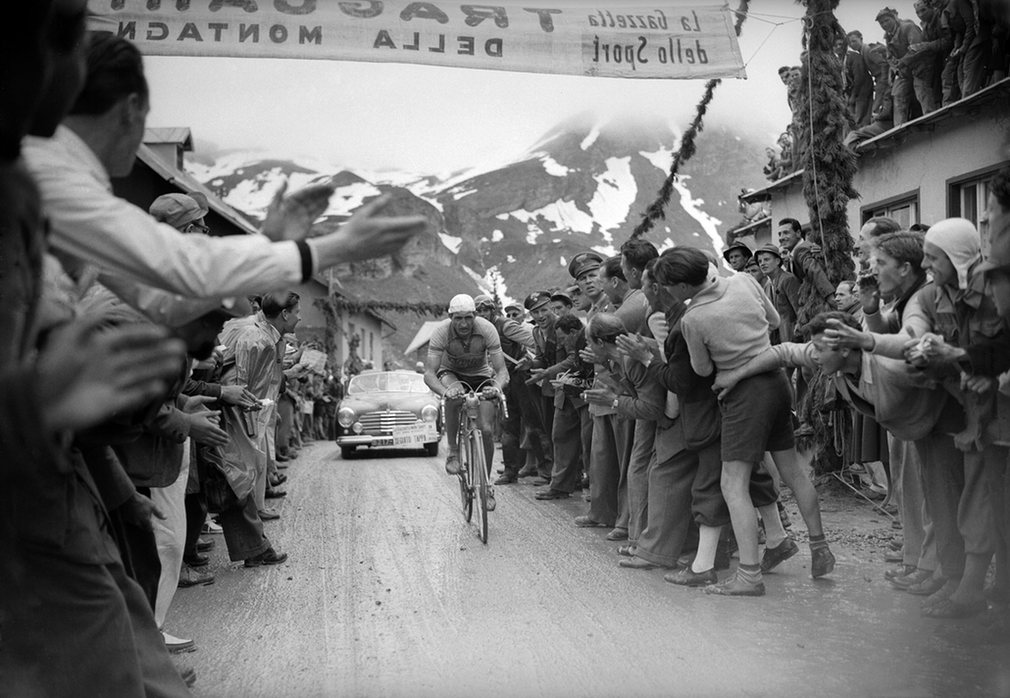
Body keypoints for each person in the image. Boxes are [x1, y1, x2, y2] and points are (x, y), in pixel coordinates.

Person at [22, 32, 428, 307]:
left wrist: (269, 241)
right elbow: (188, 269)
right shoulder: (55, 182)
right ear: (131, 110)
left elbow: (165, 303)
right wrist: (337, 248)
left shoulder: (59, 177)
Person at [657, 247, 835, 596]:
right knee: (793, 471)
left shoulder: (694, 318)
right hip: (776, 380)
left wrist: (731, 363)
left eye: (668, 286)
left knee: (732, 483)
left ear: (680, 287)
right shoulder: (744, 280)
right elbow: (773, 321)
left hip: (743, 397)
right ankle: (819, 546)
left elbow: (703, 370)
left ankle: (749, 574)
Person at [423, 294, 508, 501]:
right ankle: (453, 450)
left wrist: (496, 388)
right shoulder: (442, 332)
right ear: (450, 317)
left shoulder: (487, 329)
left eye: (468, 318)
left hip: (480, 375)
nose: (463, 323)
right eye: (458, 318)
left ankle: (485, 484)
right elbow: (429, 374)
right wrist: (445, 392)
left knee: (486, 430)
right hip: (451, 373)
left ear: (475, 316)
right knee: (454, 394)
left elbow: (502, 370)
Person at [473, 294, 536, 486]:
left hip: (521, 378)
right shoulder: (479, 331)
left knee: (533, 424)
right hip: (503, 382)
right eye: (479, 310)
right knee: (508, 427)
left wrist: (534, 360)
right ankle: (510, 471)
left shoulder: (506, 325)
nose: (482, 314)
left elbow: (534, 340)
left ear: (492, 310)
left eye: (485, 309)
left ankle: (546, 470)